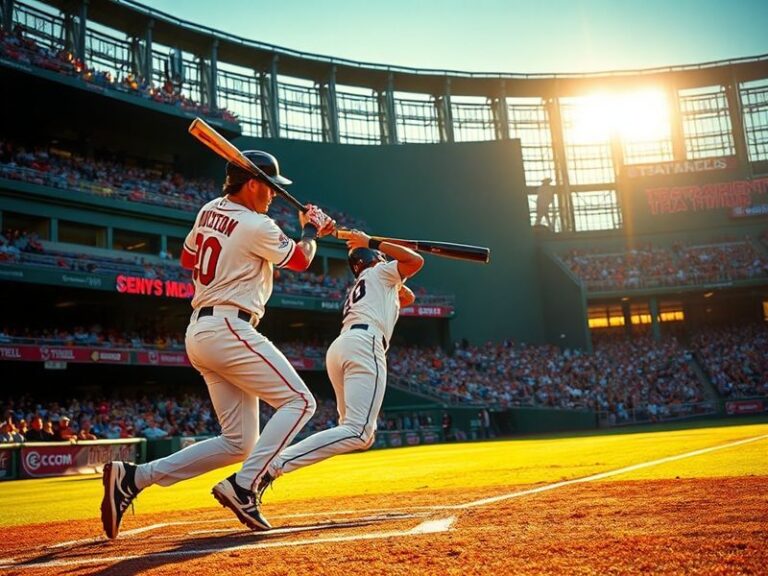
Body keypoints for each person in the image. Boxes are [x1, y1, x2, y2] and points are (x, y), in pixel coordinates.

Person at [101, 150, 334, 538]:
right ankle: (244, 487)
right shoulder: (257, 225)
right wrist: (311, 231)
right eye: (272, 187)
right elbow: (299, 260)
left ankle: (134, 478)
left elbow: (187, 257)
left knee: (240, 442)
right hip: (229, 326)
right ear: (253, 183)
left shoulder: (210, 208)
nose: (275, 195)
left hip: (201, 331)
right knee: (301, 402)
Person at [257, 229, 423, 503]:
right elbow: (416, 262)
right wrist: (373, 242)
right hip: (364, 344)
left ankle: (274, 464)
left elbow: (409, 297)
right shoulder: (379, 274)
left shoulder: (372, 281)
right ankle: (273, 465)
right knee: (358, 432)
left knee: (358, 434)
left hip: (343, 345)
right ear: (375, 258)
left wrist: (390, 264)